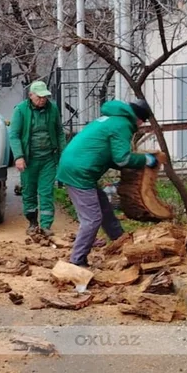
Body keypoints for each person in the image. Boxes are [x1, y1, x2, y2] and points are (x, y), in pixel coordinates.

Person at [56, 99, 164, 267]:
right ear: (139, 119)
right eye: (143, 122)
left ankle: (121, 242)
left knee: (104, 208)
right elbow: (122, 159)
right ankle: (77, 261)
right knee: (92, 219)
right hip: (79, 172)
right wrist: (145, 160)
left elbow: (109, 155)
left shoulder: (113, 119)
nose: (141, 125)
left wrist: (136, 162)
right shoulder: (122, 125)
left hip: (77, 167)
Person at [8, 81, 66, 237]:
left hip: (48, 158)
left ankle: (46, 225)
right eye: (39, 97)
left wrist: (63, 154)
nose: (42, 100)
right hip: (29, 159)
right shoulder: (20, 110)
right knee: (29, 191)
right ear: (31, 95)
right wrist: (19, 156)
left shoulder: (52, 109)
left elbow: (59, 132)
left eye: (45, 97)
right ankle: (32, 222)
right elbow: (13, 135)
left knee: (46, 191)